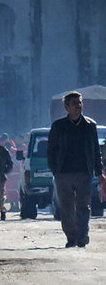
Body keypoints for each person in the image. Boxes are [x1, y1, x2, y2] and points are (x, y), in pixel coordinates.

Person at [47, 91, 104, 248]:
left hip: (83, 173)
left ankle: (83, 235)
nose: (78, 106)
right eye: (74, 103)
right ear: (67, 107)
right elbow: (51, 151)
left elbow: (95, 152)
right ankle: (71, 237)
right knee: (66, 207)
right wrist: (55, 170)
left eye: (80, 103)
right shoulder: (58, 127)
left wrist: (99, 173)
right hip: (63, 173)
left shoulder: (89, 126)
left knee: (83, 206)